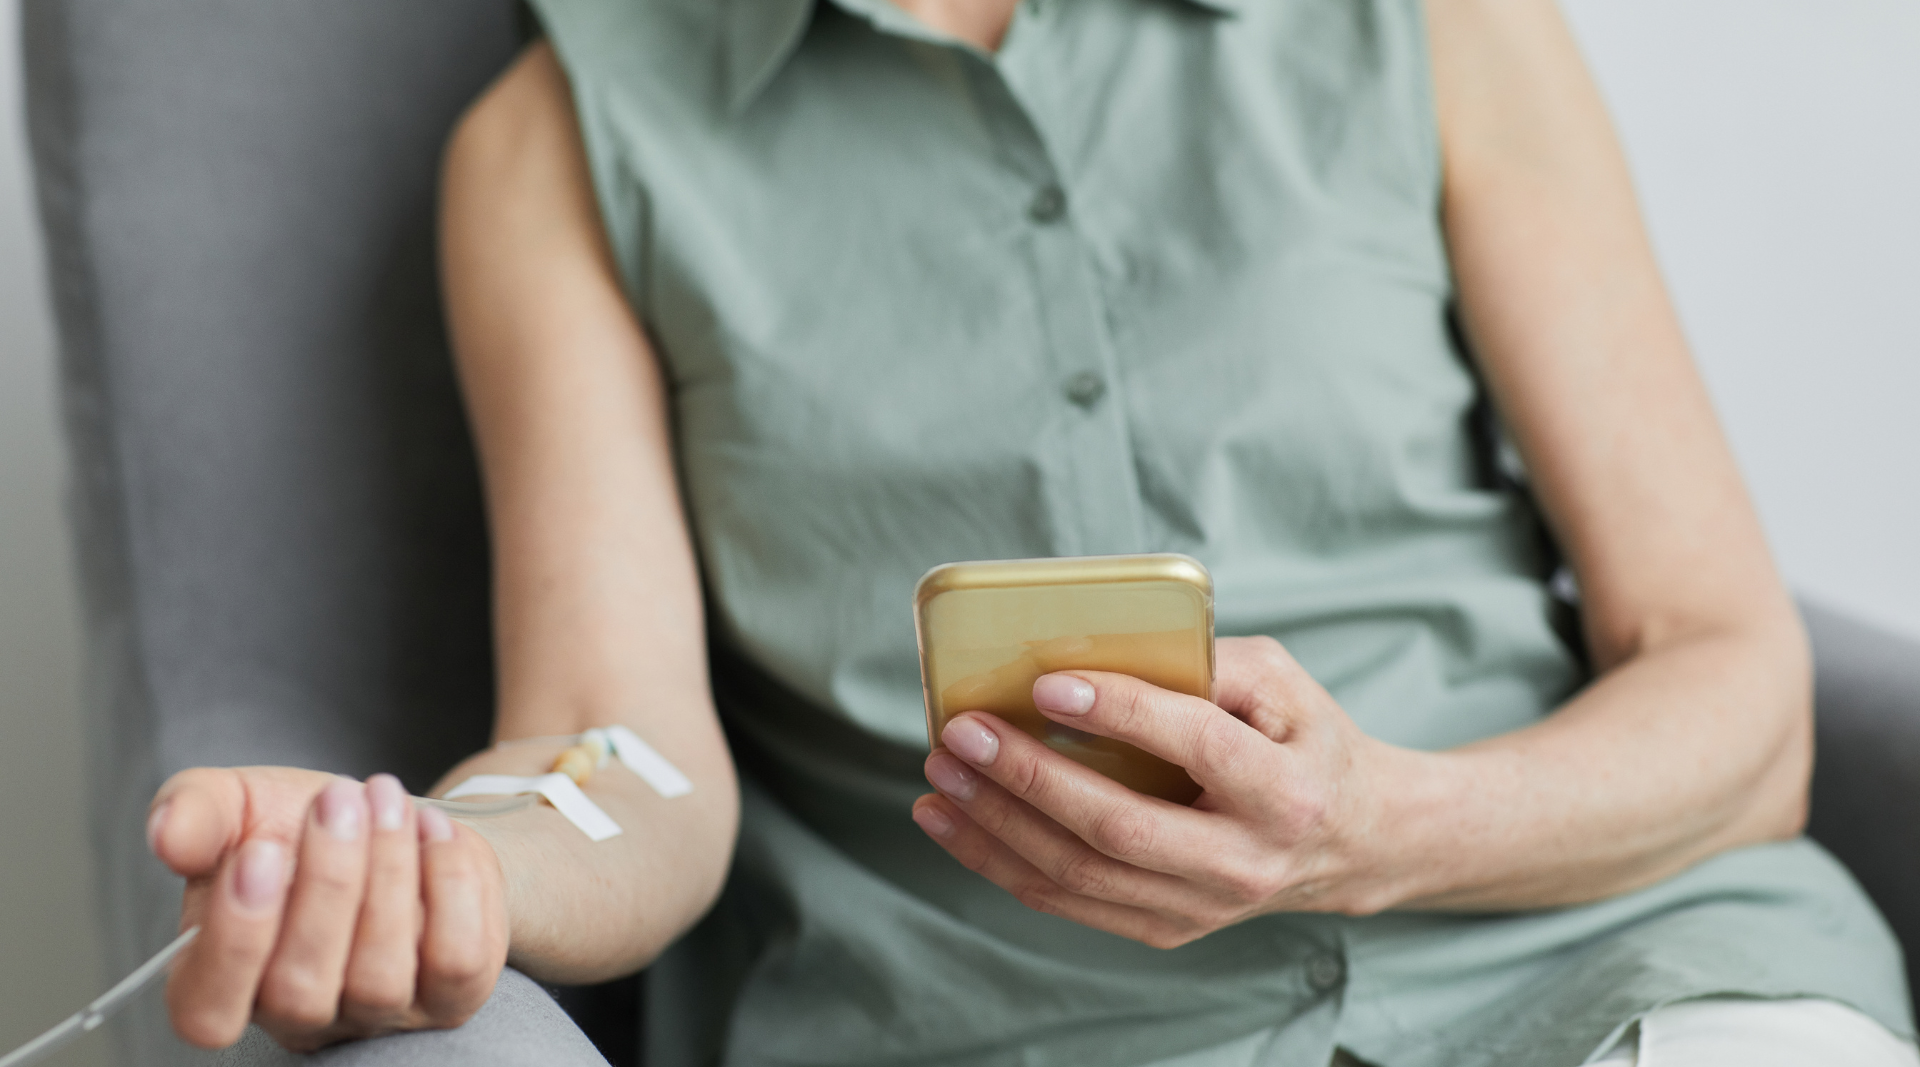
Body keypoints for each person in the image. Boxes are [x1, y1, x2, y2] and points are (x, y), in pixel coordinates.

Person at [141, 0, 1915, 1063]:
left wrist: (1385, 826)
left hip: (1631, 980)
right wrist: (451, 860)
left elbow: (1733, 687)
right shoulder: (562, 140)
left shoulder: (1423, 19)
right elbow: (618, 752)